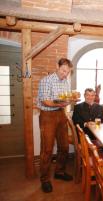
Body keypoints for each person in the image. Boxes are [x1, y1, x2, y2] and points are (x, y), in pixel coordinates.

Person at [37, 58, 74, 193]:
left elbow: (66, 98)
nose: (65, 74)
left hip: (61, 113)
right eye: (63, 70)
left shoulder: (66, 81)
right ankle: (45, 179)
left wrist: (70, 100)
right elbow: (46, 101)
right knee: (47, 149)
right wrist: (60, 103)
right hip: (47, 116)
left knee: (64, 146)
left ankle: (60, 171)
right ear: (56, 66)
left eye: (68, 72)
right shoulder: (46, 81)